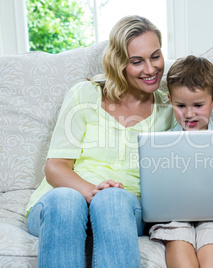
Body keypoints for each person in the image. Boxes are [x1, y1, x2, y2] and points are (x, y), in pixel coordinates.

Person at [25, 15, 174, 267]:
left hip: (125, 209)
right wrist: (94, 193)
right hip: (61, 203)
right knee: (66, 199)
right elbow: (55, 166)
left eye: (155, 56)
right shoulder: (85, 94)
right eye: (136, 61)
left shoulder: (171, 108)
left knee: (113, 200)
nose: (150, 69)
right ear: (118, 63)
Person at [148, 55, 213, 268]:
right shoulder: (161, 144)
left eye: (198, 105)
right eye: (180, 106)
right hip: (175, 215)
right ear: (170, 100)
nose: (189, 114)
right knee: (176, 235)